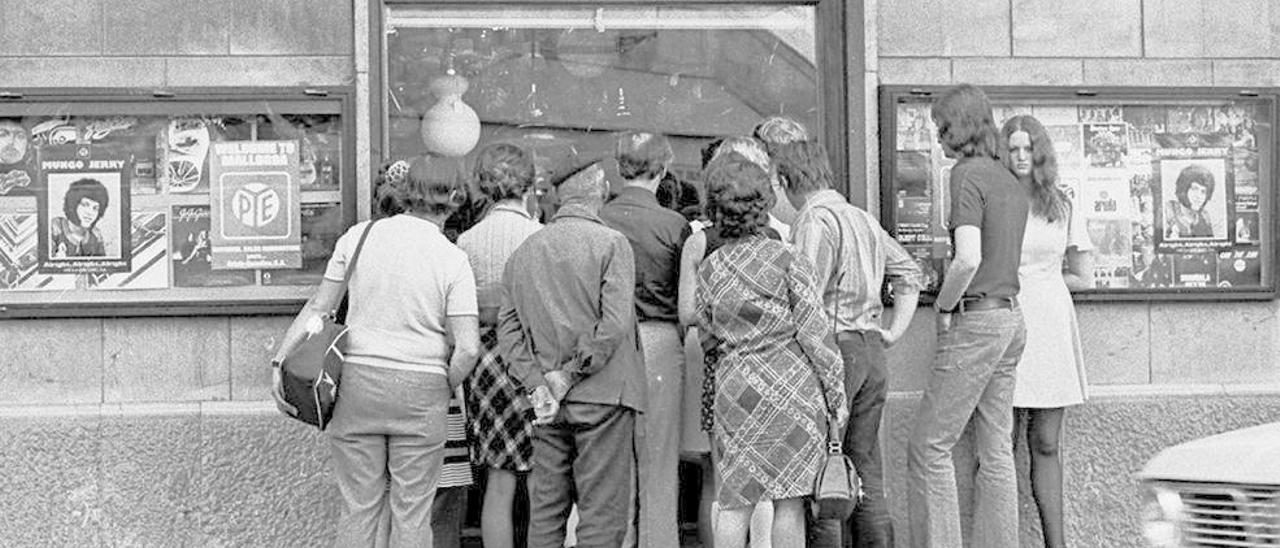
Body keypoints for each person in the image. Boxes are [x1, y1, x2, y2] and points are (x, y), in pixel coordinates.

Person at [270, 154, 481, 547]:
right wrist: (441, 384)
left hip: (357, 387)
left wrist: (281, 360)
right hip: (422, 391)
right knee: (413, 512)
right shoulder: (453, 259)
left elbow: (320, 307)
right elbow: (467, 348)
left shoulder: (358, 236)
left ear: (406, 193)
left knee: (359, 506)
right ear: (454, 197)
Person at [773, 139, 923, 548]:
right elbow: (909, 272)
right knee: (864, 464)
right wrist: (892, 331)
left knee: (825, 474)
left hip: (835, 350)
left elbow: (805, 297)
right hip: (872, 348)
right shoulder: (862, 218)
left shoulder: (813, 220)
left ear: (786, 182)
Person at [695, 154, 847, 548]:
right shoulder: (790, 258)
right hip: (792, 391)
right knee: (789, 503)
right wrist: (836, 397)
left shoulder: (711, 268)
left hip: (737, 392)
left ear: (716, 209)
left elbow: (707, 333)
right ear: (763, 204)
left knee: (734, 504)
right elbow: (816, 337)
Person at [498, 160, 646, 548]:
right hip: (603, 397)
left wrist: (539, 384)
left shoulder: (523, 253)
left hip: (546, 401)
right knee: (601, 516)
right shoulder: (612, 244)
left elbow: (509, 334)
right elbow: (613, 325)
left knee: (545, 511)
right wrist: (570, 374)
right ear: (600, 193)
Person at [906, 84, 1029, 548]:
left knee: (929, 447)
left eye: (941, 127)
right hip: (1011, 318)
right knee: (996, 449)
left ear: (959, 128)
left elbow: (967, 258)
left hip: (977, 318)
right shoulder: (1007, 178)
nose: (938, 137)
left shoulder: (966, 175)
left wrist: (942, 305)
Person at [678, 140, 785, 548]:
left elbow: (687, 311)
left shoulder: (700, 242)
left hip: (716, 363)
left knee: (719, 471)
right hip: (768, 361)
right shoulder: (775, 240)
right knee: (764, 471)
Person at [1001, 115, 1094, 548]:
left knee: (1046, 440)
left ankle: (1057, 543)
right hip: (1004, 319)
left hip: (1050, 322)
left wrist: (1044, 283)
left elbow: (1084, 276)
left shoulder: (1061, 204)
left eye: (1027, 149)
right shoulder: (993, 201)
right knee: (1001, 442)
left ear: (1040, 153)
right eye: (1013, 149)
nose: (1020, 157)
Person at [599, 131, 690, 548]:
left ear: (619, 168)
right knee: (659, 458)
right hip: (660, 339)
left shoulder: (599, 219)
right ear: (664, 168)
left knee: (609, 462)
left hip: (607, 343)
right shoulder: (675, 226)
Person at [456, 143, 543, 548]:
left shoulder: (467, 242)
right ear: (528, 183)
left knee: (498, 480)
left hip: (486, 365)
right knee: (548, 479)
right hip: (533, 363)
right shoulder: (541, 237)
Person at [50, 178, 111, 258]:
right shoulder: (55, 227)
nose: (90, 213)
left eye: (95, 208)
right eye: (85, 205)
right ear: (73, 204)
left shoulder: (95, 236)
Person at [1163, 164, 1216, 239]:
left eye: (1203, 192)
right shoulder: (1169, 210)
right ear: (1183, 189)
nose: (1199, 196)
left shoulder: (1204, 217)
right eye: (1194, 189)